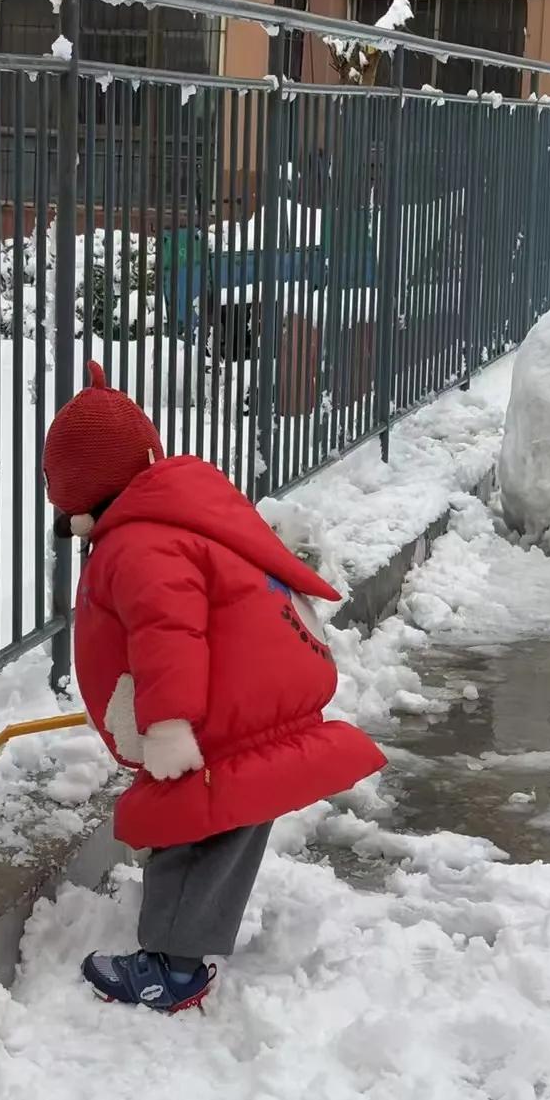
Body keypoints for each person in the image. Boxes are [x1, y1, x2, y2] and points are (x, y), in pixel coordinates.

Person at [42, 361, 386, 1013]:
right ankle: (185, 947)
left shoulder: (138, 544)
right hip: (255, 702)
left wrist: (168, 726)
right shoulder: (180, 509)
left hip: (213, 719)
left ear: (89, 491)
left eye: (67, 507)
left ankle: (169, 970)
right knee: (229, 826)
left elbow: (167, 632)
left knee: (186, 827)